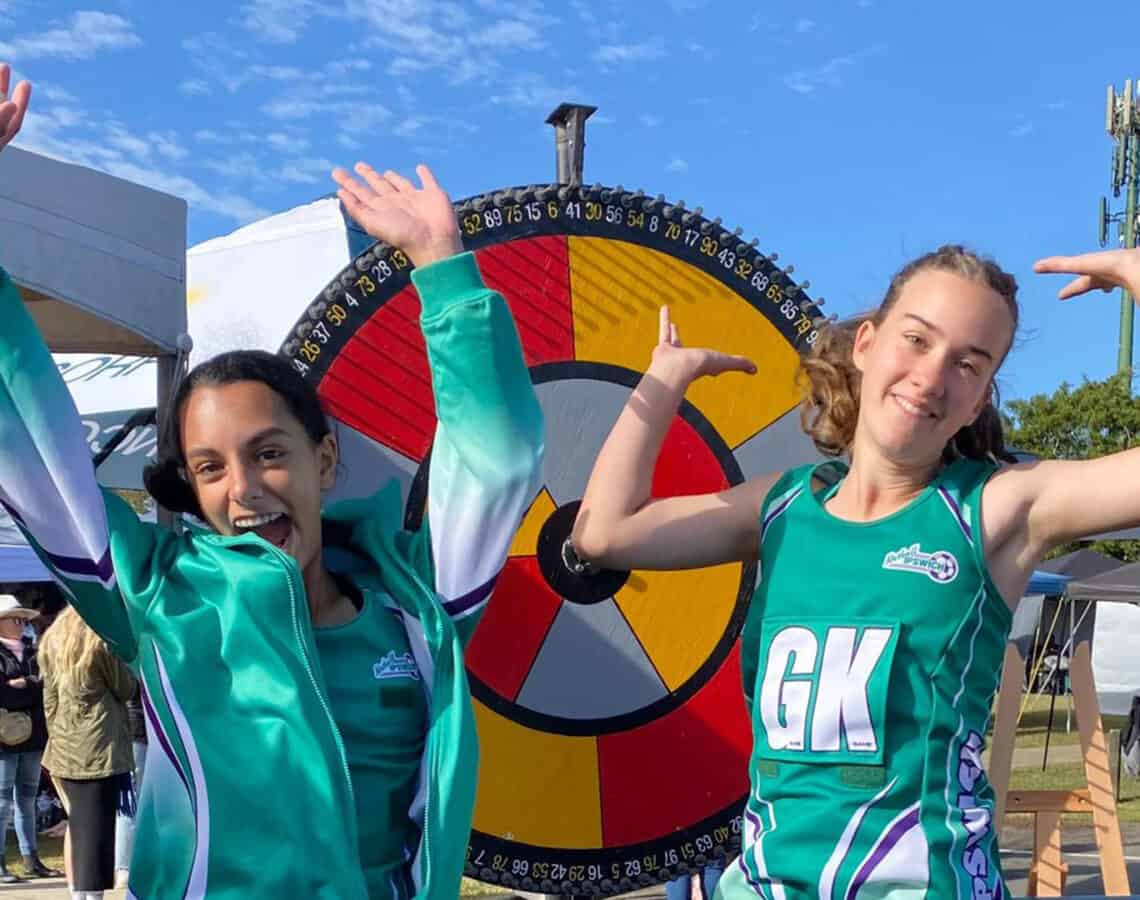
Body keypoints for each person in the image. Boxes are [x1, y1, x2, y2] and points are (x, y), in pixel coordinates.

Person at [0, 65, 544, 898]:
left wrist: (441, 266)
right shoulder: (160, 597)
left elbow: (495, 460)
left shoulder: (421, 605)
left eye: (271, 453)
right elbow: (33, 442)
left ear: (325, 460)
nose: (245, 489)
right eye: (210, 468)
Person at [571, 237, 1140, 895]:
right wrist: (666, 376)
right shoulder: (783, 507)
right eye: (917, 340)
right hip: (766, 884)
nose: (931, 376)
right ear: (866, 344)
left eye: (968, 363)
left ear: (981, 397)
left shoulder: (997, 508)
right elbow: (604, 534)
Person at [40, 606, 136, 900]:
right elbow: (126, 688)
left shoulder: (52, 640)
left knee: (80, 826)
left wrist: (58, 737)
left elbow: (49, 701)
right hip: (97, 748)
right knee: (96, 830)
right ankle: (90, 896)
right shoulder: (101, 641)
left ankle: (78, 893)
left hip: (63, 748)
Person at [0, 594, 60, 882]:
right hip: (4, 739)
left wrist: (24, 685)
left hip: (34, 735)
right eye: (15, 619)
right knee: (2, 801)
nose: (21, 623)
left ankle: (31, 859)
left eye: (23, 619)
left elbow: (47, 684)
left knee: (27, 797)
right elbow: (4, 693)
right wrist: (28, 687)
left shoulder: (33, 651)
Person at [112, 685, 146, 888]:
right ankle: (123, 866)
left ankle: (130, 865)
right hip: (136, 732)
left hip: (144, 732)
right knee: (130, 804)